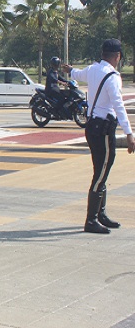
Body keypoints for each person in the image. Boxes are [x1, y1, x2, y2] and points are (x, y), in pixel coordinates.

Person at [63, 39, 135, 234]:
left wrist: (69, 69)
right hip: (103, 129)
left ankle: (100, 214)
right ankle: (91, 219)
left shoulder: (93, 69)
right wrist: (129, 134)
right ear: (117, 56)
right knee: (102, 172)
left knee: (100, 170)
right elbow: (119, 105)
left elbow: (76, 73)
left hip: (92, 127)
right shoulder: (112, 76)